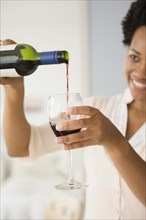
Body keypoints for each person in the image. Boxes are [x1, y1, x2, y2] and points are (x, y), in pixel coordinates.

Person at [0, 0, 146, 219]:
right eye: (135, 57)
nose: (141, 71)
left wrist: (114, 141)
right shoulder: (97, 108)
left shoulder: (100, 122)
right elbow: (21, 147)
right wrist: (14, 88)